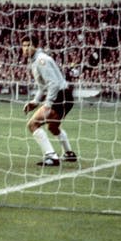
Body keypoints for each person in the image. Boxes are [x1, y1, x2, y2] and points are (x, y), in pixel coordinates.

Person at [21, 34, 77, 166]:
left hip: (60, 95)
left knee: (32, 124)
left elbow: (53, 84)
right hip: (65, 95)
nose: (25, 49)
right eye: (23, 46)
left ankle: (51, 156)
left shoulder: (41, 60)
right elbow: (43, 87)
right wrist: (34, 102)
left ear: (36, 46)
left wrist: (48, 104)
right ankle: (68, 153)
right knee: (53, 127)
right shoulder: (36, 61)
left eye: (29, 45)